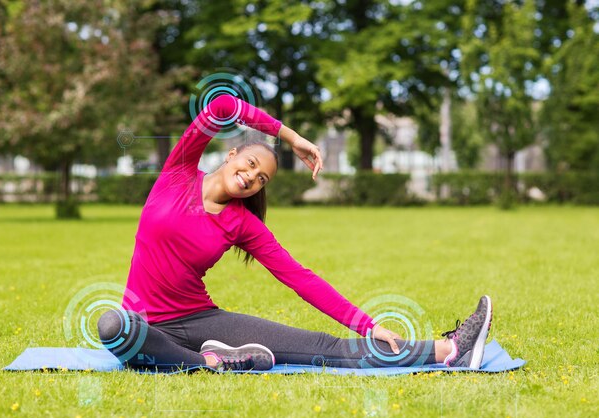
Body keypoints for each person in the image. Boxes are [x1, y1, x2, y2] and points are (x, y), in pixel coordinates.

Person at [97, 94, 493, 372]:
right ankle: (212, 363)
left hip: (199, 320)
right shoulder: (177, 173)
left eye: (261, 178)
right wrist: (290, 137)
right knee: (113, 326)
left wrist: (366, 324)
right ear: (232, 154)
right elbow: (220, 107)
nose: (252, 176)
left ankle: (449, 350)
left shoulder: (242, 223)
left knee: (323, 348)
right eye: (250, 163)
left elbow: (298, 277)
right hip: (144, 326)